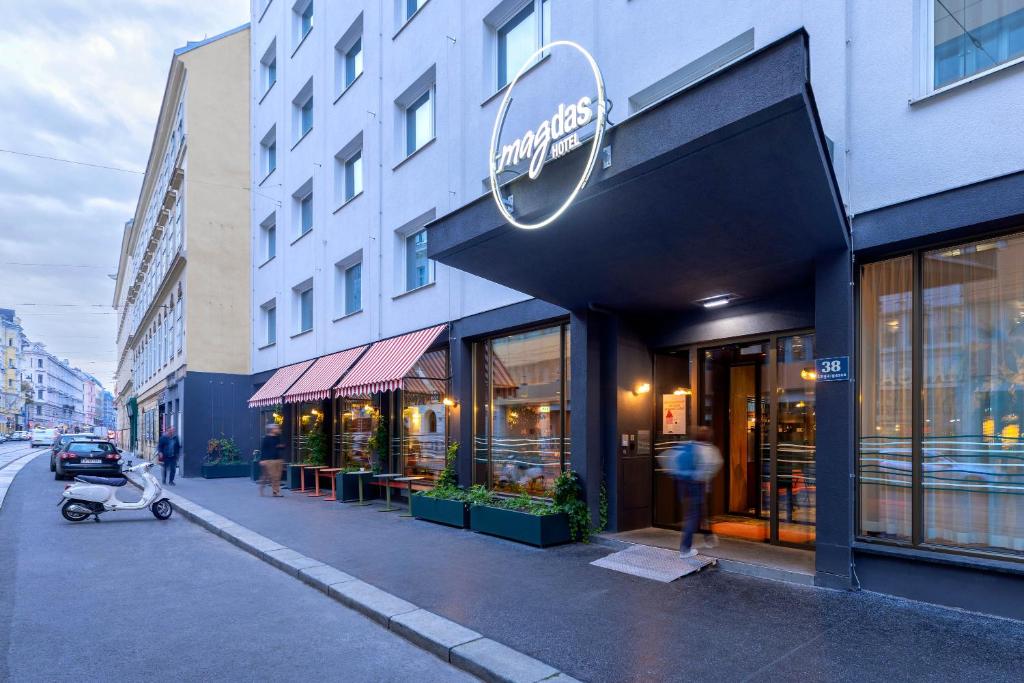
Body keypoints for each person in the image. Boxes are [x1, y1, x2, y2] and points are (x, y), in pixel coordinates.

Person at [675, 425, 723, 559]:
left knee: (700, 512)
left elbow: (672, 459)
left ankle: (708, 537)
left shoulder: (689, 446)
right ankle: (685, 548)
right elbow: (717, 464)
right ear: (709, 437)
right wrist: (704, 477)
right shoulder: (710, 450)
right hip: (697, 485)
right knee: (693, 516)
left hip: (683, 484)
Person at [259, 423, 285, 497]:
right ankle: (263, 488)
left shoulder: (278, 437)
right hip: (269, 460)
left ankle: (275, 492)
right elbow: (263, 450)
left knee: (278, 476)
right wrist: (262, 460)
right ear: (271, 430)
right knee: (273, 476)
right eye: (276, 428)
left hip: (278, 459)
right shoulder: (266, 439)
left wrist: (281, 446)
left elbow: (280, 447)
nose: (278, 429)